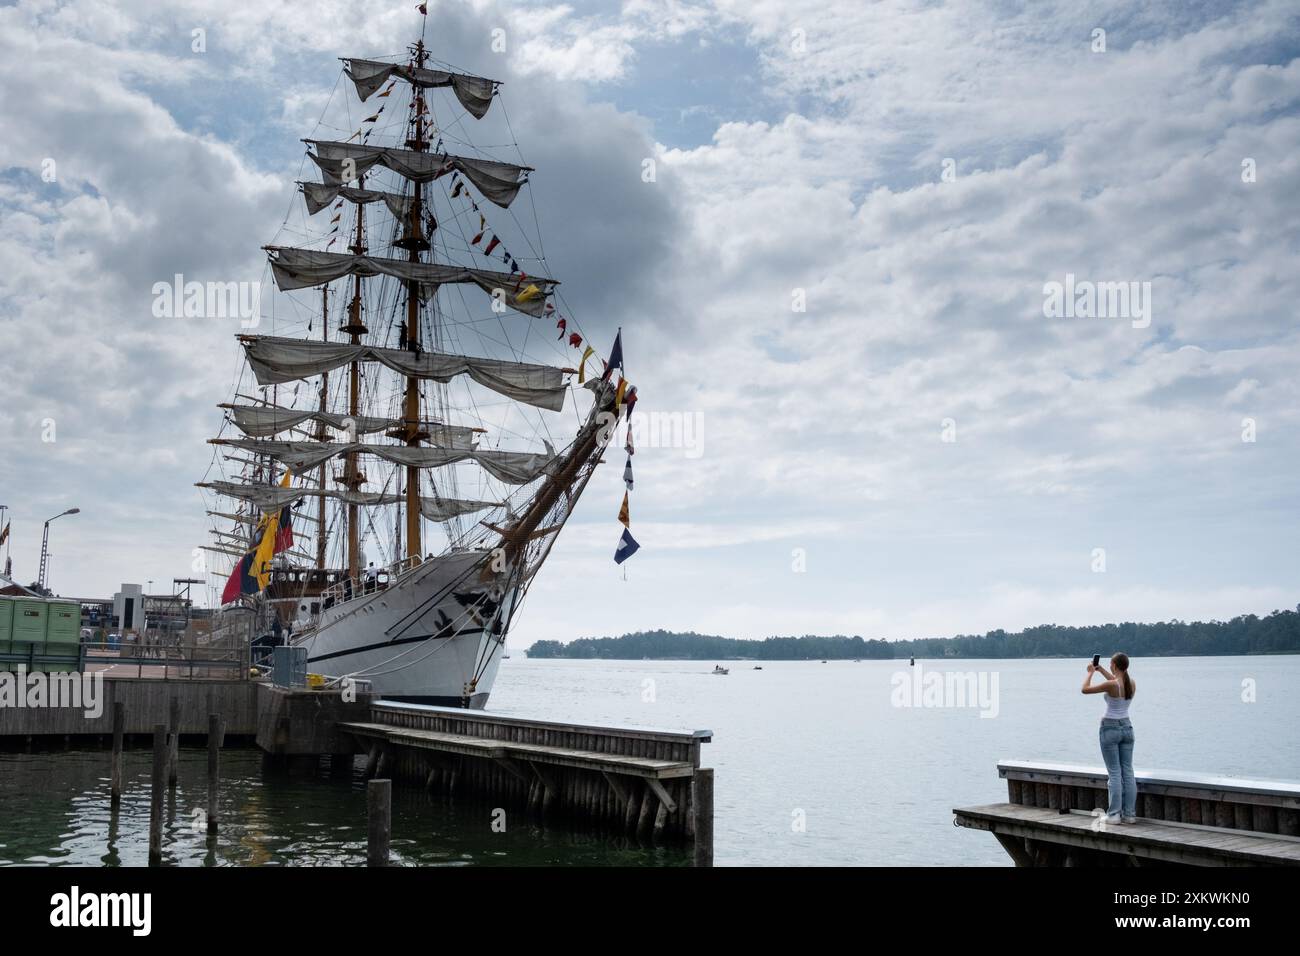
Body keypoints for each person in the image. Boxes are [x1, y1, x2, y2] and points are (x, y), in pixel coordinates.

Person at [1082, 652, 1137, 825]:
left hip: (1110, 728)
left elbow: (1085, 689)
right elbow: (1115, 679)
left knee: (1114, 773)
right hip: (1127, 728)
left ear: (1114, 665)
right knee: (1127, 771)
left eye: (1111, 665)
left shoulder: (1112, 685)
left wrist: (1090, 672)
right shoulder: (1131, 683)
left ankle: (1114, 815)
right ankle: (1129, 814)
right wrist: (1101, 670)